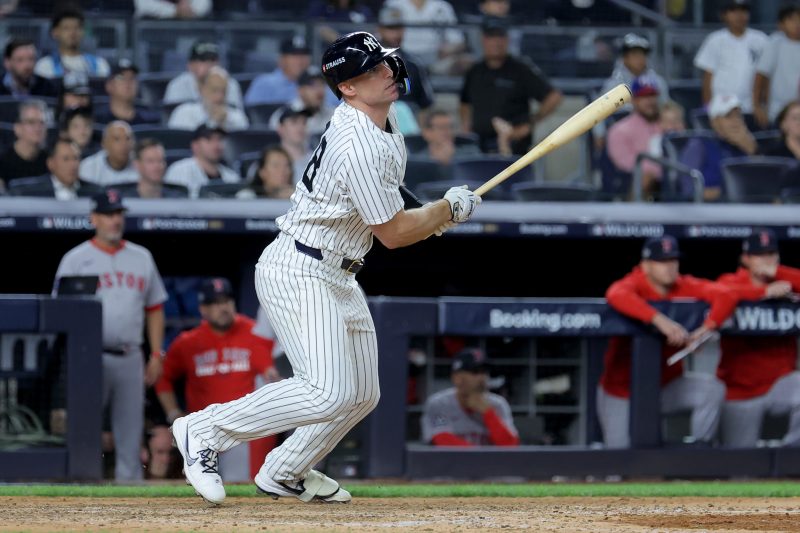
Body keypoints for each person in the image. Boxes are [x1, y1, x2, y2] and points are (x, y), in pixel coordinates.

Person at [170, 31, 480, 505]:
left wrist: (435, 215)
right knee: (326, 391)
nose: (387, 72)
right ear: (347, 87)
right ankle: (204, 430)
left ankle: (285, 470)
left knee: (362, 394)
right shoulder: (357, 142)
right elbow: (393, 234)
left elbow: (391, 197)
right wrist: (445, 211)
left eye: (385, 63)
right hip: (301, 267)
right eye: (372, 70)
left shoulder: (382, 118)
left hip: (340, 271)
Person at [53, 189, 167, 480]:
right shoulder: (75, 259)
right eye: (107, 214)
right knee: (85, 428)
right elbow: (60, 311)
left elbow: (155, 308)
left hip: (131, 356)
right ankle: (79, 489)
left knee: (130, 432)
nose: (115, 220)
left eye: (118, 214)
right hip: (89, 357)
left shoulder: (141, 257)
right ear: (94, 218)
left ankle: (132, 495)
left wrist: (156, 354)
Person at [597, 235, 737, 449]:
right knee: (620, 456)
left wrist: (706, 329)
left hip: (666, 387)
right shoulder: (635, 283)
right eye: (662, 261)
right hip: (622, 392)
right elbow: (615, 294)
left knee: (711, 390)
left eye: (673, 260)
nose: (670, 267)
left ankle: (701, 452)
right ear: (645, 265)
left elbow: (727, 295)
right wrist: (659, 320)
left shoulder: (683, 285)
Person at [156, 277, 279, 482]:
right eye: (214, 303)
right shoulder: (188, 342)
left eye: (226, 301)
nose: (223, 308)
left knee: (240, 486)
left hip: (243, 432)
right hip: (204, 431)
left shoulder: (256, 333)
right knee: (200, 488)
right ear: (203, 309)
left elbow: (272, 374)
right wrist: (174, 414)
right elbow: (163, 378)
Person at [716, 228, 800, 448]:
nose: (767, 260)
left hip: (780, 385)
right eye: (759, 255)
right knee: (739, 461)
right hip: (740, 391)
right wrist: (764, 292)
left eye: (771, 254)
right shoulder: (730, 282)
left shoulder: (787, 283)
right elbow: (721, 292)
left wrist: (779, 273)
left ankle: (792, 456)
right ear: (746, 259)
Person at [460, 18, 562, 155]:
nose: (496, 42)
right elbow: (465, 102)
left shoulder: (520, 69)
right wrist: (466, 127)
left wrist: (531, 122)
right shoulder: (474, 71)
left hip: (514, 146)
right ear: (483, 39)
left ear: (507, 40)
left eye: (500, 36)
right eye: (491, 37)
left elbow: (553, 96)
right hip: (479, 147)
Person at [421, 348, 519, 446]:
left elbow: (510, 444)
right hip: (455, 457)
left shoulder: (498, 404)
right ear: (457, 378)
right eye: (475, 372)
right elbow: (441, 439)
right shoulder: (439, 404)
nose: (482, 378)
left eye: (484, 372)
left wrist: (488, 413)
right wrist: (479, 454)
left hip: (486, 457)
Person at [679, 94, 758, 201]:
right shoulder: (699, 145)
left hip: (746, 207)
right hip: (710, 208)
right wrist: (726, 192)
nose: (736, 121)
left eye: (738, 116)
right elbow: (689, 191)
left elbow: (761, 186)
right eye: (728, 116)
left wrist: (752, 151)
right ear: (714, 122)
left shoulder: (747, 143)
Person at [693, 0, 767, 114]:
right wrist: (708, 107)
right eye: (733, 11)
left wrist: (761, 105)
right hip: (721, 106)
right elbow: (707, 77)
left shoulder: (761, 39)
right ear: (724, 15)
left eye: (743, 11)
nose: (739, 15)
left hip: (751, 106)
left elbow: (766, 76)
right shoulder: (714, 40)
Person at [606, 77, 663, 193]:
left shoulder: (667, 124)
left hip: (669, 181)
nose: (650, 101)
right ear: (634, 100)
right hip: (633, 183)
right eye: (644, 96)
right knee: (645, 178)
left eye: (652, 95)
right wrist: (658, 169)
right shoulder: (619, 130)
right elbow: (626, 164)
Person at [384, 0, 470, 75]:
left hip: (436, 60)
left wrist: (449, 49)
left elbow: (458, 41)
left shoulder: (442, 6)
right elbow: (382, 35)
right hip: (403, 59)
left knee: (466, 61)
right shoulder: (393, 4)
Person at [375, 5, 434, 111]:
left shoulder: (413, 63)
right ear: (380, 30)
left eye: (399, 28)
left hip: (408, 118)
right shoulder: (367, 61)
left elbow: (425, 103)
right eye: (391, 28)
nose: (396, 33)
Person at [753, 5, 800, 129]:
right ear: (781, 25)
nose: (797, 24)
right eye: (792, 19)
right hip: (777, 110)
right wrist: (757, 106)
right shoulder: (775, 42)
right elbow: (761, 75)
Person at [163, 125, 239, 198]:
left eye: (220, 139)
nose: (216, 144)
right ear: (195, 145)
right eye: (209, 139)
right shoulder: (179, 170)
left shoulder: (232, 177)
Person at [34, 7, 111, 79]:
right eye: (66, 28)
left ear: (83, 32)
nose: (72, 33)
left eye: (77, 28)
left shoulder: (99, 65)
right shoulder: (45, 66)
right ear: (55, 32)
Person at [10, 138, 101, 198]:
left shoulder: (95, 192)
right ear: (51, 163)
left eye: (76, 158)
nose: (73, 164)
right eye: (66, 159)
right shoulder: (30, 192)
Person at [164, 41, 243, 109]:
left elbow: (238, 117)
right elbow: (172, 118)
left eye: (212, 60)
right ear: (190, 65)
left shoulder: (230, 84)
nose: (209, 64)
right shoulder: (177, 85)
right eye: (203, 60)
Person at [168, 66, 249, 131]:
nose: (219, 97)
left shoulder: (237, 118)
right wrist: (213, 122)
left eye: (223, 91)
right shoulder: (184, 113)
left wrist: (223, 123)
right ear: (202, 90)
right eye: (214, 90)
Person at [601, 33, 670, 106]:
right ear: (625, 58)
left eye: (643, 54)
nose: (640, 58)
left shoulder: (658, 82)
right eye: (635, 54)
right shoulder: (613, 85)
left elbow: (665, 106)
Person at [244, 37, 312, 106]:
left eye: (304, 55)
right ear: (282, 60)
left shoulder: (315, 83)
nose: (300, 60)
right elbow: (253, 111)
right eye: (294, 55)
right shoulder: (264, 84)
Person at [94, 59, 160, 126]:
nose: (128, 82)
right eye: (121, 77)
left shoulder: (149, 121)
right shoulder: (96, 121)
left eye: (132, 78)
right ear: (109, 85)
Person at [268, 68, 334, 135]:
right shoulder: (282, 116)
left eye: (322, 84)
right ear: (300, 90)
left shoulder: (334, 115)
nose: (319, 90)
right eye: (312, 85)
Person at [0, 100, 49, 188]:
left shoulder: (51, 161)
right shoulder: (3, 163)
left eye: (42, 123)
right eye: (31, 122)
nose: (38, 128)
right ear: (17, 128)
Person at [79, 121, 138, 186]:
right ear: (104, 143)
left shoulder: (142, 165)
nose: (124, 144)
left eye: (128, 138)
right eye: (117, 139)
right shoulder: (88, 167)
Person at [273, 106, 313, 184]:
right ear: (280, 129)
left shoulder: (318, 160)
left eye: (304, 123)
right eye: (294, 122)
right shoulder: (268, 162)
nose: (300, 127)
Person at [134, 0, 211, 19]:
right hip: (148, 36)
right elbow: (142, 5)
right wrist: (175, 11)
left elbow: (202, 7)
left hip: (186, 35)